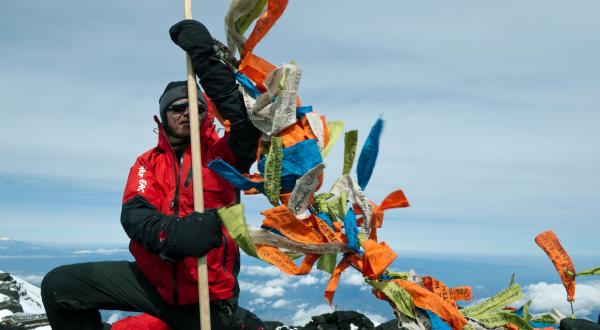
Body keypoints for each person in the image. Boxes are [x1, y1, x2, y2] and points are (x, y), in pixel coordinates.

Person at [41, 19, 261, 330]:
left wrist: (204, 60)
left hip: (206, 293)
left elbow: (245, 124)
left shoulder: (223, 155)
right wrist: (173, 235)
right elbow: (134, 214)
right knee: (59, 287)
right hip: (151, 283)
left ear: (206, 114)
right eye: (177, 108)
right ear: (163, 117)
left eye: (195, 107)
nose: (187, 112)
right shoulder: (147, 163)